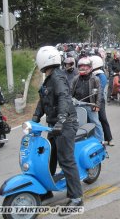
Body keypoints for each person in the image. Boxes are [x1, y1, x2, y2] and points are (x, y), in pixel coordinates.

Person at [32, 46, 83, 210]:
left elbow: (63, 98)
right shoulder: (48, 78)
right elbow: (43, 100)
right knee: (49, 158)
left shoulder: (57, 78)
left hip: (65, 124)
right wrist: (35, 116)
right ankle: (47, 190)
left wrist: (61, 120)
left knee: (66, 160)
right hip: (54, 125)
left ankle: (76, 198)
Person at [71, 57, 104, 141]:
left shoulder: (95, 79)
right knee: (75, 123)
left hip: (90, 104)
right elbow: (71, 91)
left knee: (96, 123)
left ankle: (100, 141)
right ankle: (77, 140)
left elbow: (99, 93)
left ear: (90, 67)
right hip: (77, 105)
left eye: (85, 66)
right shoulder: (76, 79)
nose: (83, 68)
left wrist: (97, 105)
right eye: (81, 66)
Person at [90, 55, 114, 146]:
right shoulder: (90, 74)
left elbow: (100, 88)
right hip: (90, 100)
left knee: (102, 118)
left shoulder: (101, 75)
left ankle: (109, 138)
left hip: (99, 100)